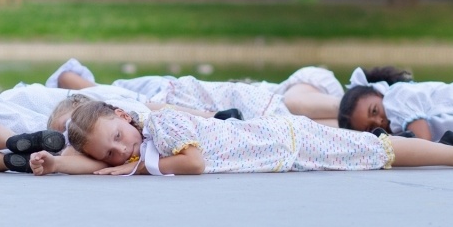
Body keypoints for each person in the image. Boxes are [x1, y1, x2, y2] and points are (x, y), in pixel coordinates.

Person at [28, 100, 453, 176]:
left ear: (124, 116)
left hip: (286, 140)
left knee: (377, 150)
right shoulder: (134, 143)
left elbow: (194, 163)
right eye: (111, 152)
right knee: (373, 151)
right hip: (279, 149)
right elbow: (100, 164)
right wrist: (58, 163)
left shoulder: (162, 125)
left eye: (119, 136)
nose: (121, 150)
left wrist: (136, 168)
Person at [46, 58, 344, 126]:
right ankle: (357, 120)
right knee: (291, 116)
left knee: (289, 109)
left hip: (175, 94)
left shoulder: (114, 96)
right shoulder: (116, 98)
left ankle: (356, 114)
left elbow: (66, 77)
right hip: (273, 99)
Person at [338, 66, 453, 144]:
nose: (379, 121)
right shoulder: (397, 127)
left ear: (378, 93)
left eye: (374, 111)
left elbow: (424, 142)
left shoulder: (394, 98)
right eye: (371, 128)